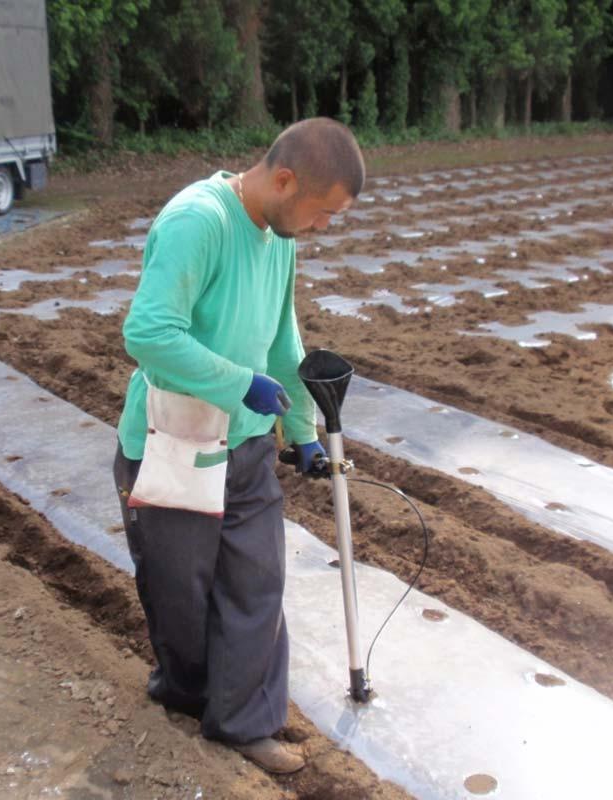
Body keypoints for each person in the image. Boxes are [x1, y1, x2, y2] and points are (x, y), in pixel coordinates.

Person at [112, 117, 365, 774]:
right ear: (285, 180)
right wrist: (237, 384)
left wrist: (304, 432)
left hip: (247, 449)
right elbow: (148, 333)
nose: (323, 227)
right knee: (181, 592)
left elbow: (284, 343)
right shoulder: (200, 223)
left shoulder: (277, 236)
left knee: (256, 583)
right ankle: (184, 694)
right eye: (323, 212)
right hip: (174, 443)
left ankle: (245, 722)